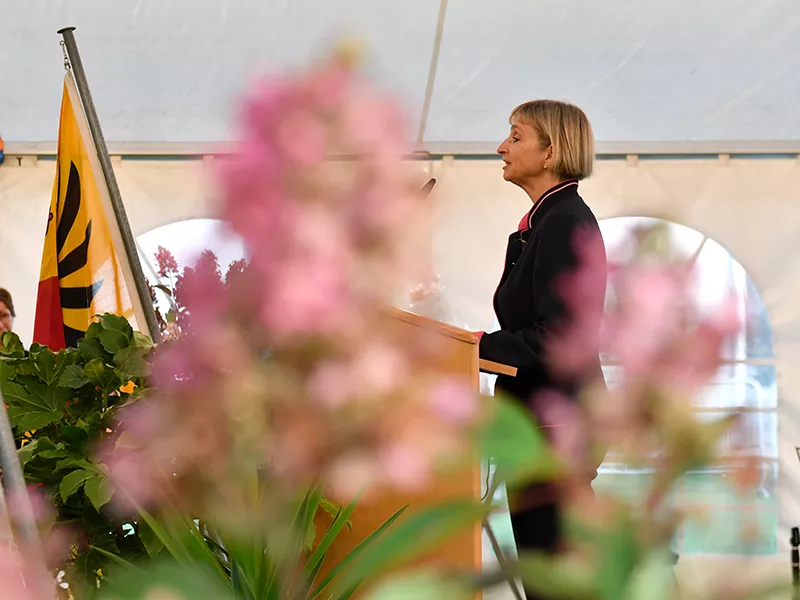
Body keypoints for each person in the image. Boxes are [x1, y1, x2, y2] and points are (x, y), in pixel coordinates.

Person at [476, 100, 607, 599]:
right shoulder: (545, 222)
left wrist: (479, 347)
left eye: (515, 136)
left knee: (556, 581)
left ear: (550, 150)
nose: (501, 147)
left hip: (553, 434)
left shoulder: (564, 222)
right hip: (538, 431)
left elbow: (560, 336)